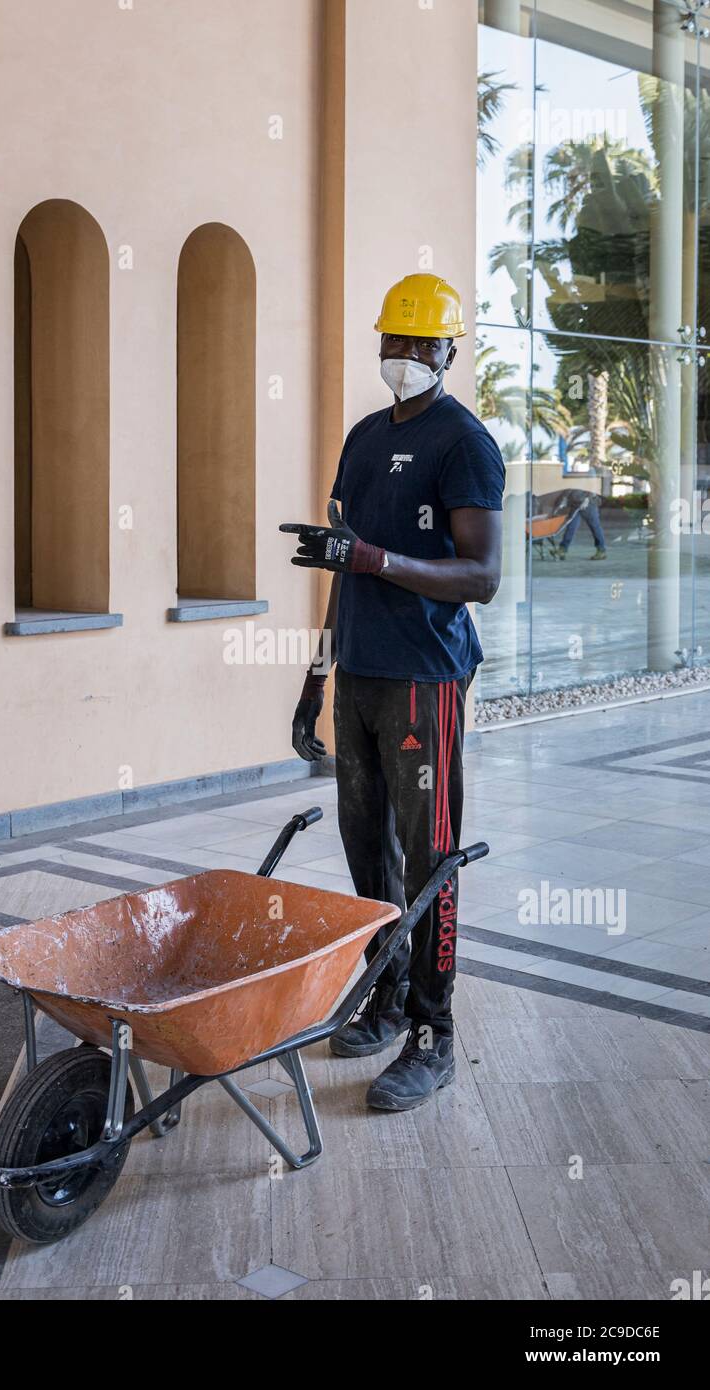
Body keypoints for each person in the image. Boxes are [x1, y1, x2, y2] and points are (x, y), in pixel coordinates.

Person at [280, 274, 505, 1112]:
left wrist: (378, 561)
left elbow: (480, 576)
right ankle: (387, 990)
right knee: (366, 848)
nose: (403, 358)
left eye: (420, 345)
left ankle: (433, 1033)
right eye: (393, 343)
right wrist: (315, 676)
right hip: (362, 674)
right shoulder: (364, 437)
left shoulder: (463, 443)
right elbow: (343, 567)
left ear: (449, 351)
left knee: (428, 855)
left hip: (424, 678)